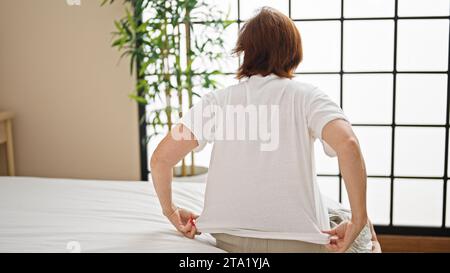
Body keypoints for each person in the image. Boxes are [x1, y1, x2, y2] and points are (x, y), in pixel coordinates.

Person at [150, 7, 380, 253]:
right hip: (303, 241)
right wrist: (358, 218)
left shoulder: (217, 102)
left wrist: (170, 211)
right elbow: (349, 144)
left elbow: (160, 159)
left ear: (246, 52)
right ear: (293, 51)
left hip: (230, 239)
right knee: (364, 228)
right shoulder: (308, 97)